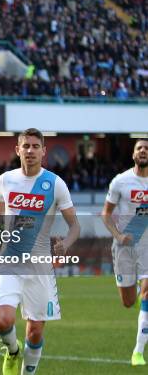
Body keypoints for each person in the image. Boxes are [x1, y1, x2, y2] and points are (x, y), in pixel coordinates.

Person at [0, 128, 80, 375]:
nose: (30, 150)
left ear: (43, 151)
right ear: (17, 150)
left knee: (35, 330)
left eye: (35, 146)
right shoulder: (5, 180)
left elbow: (75, 226)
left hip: (39, 266)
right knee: (3, 321)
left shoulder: (55, 184)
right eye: (25, 146)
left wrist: (66, 244)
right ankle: (12, 351)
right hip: (8, 261)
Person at [101, 138, 148, 366]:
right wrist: (118, 236)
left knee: (147, 293)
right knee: (128, 302)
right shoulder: (121, 181)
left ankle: (138, 352)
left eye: (147, 148)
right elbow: (106, 214)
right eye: (140, 148)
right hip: (125, 247)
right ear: (133, 154)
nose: (143, 151)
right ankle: (139, 297)